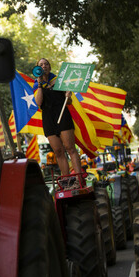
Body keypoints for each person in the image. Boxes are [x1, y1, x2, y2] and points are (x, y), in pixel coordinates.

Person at [34, 58, 83, 187]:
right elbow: (39, 103)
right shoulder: (36, 84)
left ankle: (79, 179)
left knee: (70, 148)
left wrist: (68, 95)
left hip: (62, 115)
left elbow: (69, 102)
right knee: (59, 151)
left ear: (49, 67)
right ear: (37, 68)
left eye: (46, 64)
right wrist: (39, 84)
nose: (44, 66)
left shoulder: (59, 81)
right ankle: (67, 181)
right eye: (41, 65)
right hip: (49, 119)